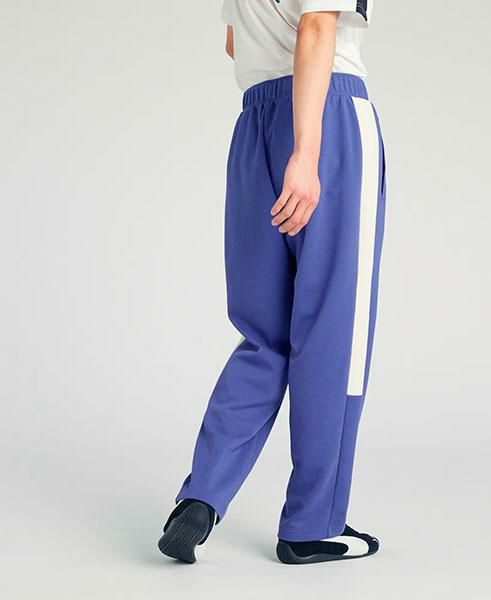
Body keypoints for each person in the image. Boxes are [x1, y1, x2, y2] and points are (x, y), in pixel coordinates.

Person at [159, 0, 386, 565]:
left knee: (264, 339)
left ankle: (201, 497)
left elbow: (235, 44)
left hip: (255, 124)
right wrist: (307, 153)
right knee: (333, 336)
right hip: (326, 116)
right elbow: (317, 23)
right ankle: (313, 525)